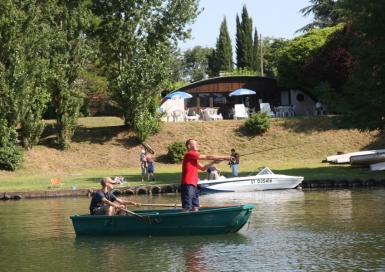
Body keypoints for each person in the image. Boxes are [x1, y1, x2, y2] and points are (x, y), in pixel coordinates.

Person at [181, 139, 230, 211]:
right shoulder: (189, 154)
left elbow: (203, 168)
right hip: (188, 184)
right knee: (187, 207)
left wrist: (214, 162)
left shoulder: (193, 158)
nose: (197, 145)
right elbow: (207, 157)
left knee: (195, 207)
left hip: (194, 185)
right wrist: (226, 157)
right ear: (189, 146)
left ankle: (195, 220)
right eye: (195, 144)